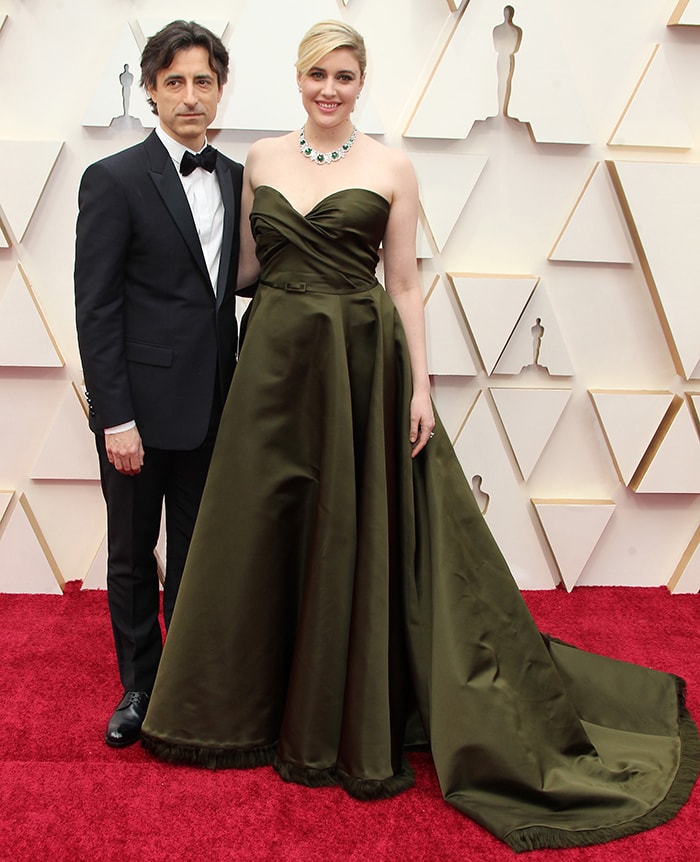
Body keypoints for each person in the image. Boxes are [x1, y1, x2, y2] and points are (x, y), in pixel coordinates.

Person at [141, 20, 698, 851]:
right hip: (274, 366)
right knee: (264, 527)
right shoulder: (259, 159)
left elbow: (403, 283)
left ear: (361, 82)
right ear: (298, 79)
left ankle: (348, 700)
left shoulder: (392, 166)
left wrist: (420, 388)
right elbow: (247, 267)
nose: (330, 88)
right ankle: (250, 700)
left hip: (360, 362)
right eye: (318, 74)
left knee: (349, 524)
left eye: (345, 75)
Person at [74, 20, 244, 748]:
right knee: (133, 553)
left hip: (214, 407)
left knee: (200, 554)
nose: (189, 95)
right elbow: (96, 307)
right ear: (149, 89)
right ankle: (140, 686)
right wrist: (115, 418)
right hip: (137, 415)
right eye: (174, 81)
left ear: (220, 90)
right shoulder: (112, 179)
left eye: (202, 81)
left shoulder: (239, 179)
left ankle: (193, 683)